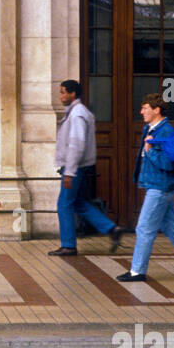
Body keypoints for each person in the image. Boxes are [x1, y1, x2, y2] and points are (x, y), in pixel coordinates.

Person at [117, 93, 174, 283]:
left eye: (145, 108)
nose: (141, 112)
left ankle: (137, 271)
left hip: (161, 187)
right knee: (171, 226)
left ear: (157, 110)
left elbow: (168, 164)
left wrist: (149, 153)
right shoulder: (151, 129)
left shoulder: (165, 133)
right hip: (157, 185)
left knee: (143, 228)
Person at [49, 79, 123, 256]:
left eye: (63, 92)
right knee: (79, 203)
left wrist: (70, 172)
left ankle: (68, 245)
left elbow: (76, 144)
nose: (60, 96)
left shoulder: (78, 114)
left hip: (74, 168)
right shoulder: (76, 112)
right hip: (77, 167)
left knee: (64, 204)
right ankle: (112, 229)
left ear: (73, 94)